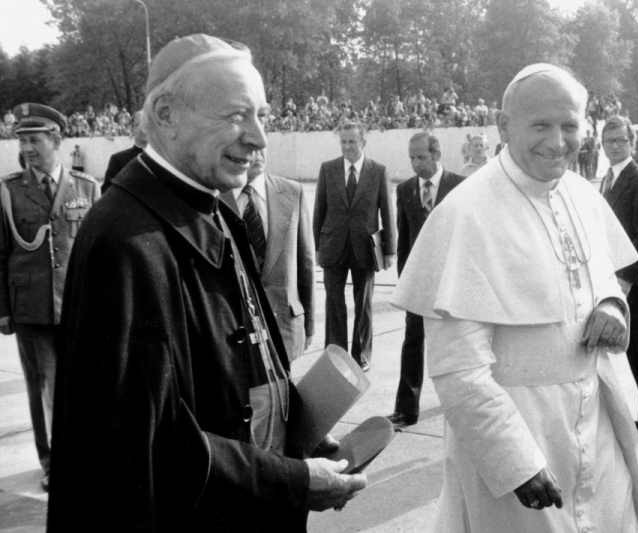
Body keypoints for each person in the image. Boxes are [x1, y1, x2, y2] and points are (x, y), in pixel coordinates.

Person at [47, 34, 366, 531]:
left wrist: (291, 436)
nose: (259, 138)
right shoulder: (127, 242)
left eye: (261, 116)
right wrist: (292, 480)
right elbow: (152, 446)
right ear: (167, 115)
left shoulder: (210, 205)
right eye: (237, 115)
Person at [392, 63, 638, 532]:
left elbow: (601, 277)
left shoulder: (582, 193)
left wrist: (610, 306)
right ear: (503, 126)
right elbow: (458, 372)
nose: (558, 142)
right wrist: (516, 461)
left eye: (570, 126)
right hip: (519, 435)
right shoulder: (465, 213)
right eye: (540, 125)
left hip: (596, 426)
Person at [0, 103, 100, 492]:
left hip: (79, 306)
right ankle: (53, 462)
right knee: (43, 386)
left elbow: (100, 253)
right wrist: (3, 312)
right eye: (22, 141)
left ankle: (87, 454)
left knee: (85, 384)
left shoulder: (87, 187)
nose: (27, 148)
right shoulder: (8, 191)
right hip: (32, 306)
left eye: (35, 140)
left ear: (57, 140)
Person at [386, 133, 464, 430]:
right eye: (412, 158)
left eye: (421, 157)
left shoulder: (458, 185)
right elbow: (404, 240)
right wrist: (406, 282)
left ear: (437, 154)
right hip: (419, 283)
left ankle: (460, 405)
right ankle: (406, 408)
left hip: (451, 281)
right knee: (413, 342)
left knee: (456, 345)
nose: (416, 163)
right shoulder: (405, 189)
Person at [313, 122, 396, 372]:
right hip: (332, 247)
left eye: (352, 142)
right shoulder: (328, 169)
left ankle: (361, 355)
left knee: (364, 304)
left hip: (365, 248)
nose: (347, 146)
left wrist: (390, 250)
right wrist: (317, 248)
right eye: (344, 142)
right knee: (334, 304)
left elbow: (387, 213)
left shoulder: (378, 171)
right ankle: (335, 354)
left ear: (363, 143)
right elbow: (319, 210)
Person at [223, 148, 315, 362]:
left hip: (285, 325)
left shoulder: (292, 192)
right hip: (236, 333)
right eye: (248, 147)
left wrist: (308, 323)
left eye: (261, 146)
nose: (257, 152)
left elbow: (306, 264)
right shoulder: (217, 198)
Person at [600, 115, 638, 431]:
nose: (614, 146)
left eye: (621, 140)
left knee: (636, 344)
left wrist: (625, 279)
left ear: (632, 143)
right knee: (636, 344)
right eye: (609, 141)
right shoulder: (607, 178)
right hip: (611, 275)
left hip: (631, 279)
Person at [102, 110, 147, 193]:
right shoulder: (118, 160)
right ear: (132, 128)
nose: (144, 129)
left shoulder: (166, 159)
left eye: (148, 124)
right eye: (139, 124)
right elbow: (106, 192)